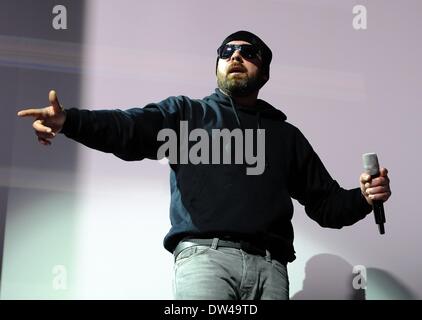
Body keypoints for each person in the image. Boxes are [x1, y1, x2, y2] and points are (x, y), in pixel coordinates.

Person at [17, 30, 391, 300]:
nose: (236, 56)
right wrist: (71, 122)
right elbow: (128, 129)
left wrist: (364, 197)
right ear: (217, 64)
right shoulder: (186, 115)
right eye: (227, 51)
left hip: (272, 268)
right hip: (206, 259)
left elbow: (326, 205)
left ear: (265, 72)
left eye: (249, 52)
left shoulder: (285, 136)